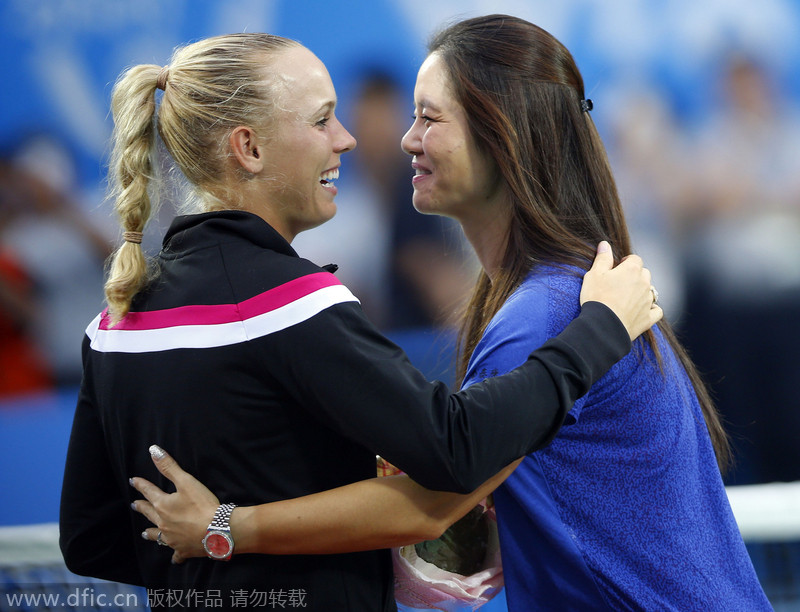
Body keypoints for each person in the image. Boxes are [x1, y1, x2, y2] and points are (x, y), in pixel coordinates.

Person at [130, 16, 771, 612]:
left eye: (429, 118)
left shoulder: (547, 314)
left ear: (504, 137)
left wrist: (223, 526)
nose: (406, 139)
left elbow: (430, 508)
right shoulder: (568, 297)